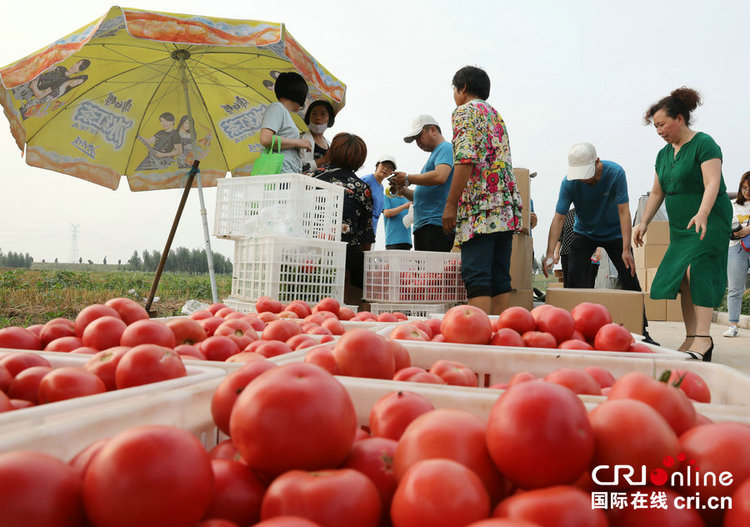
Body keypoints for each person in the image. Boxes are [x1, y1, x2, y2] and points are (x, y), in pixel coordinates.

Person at [634, 87, 733, 361]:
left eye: (662, 124)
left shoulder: (704, 144)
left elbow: (713, 182)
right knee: (684, 278)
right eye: (655, 127)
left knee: (698, 269)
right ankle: (691, 337)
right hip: (681, 225)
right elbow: (657, 192)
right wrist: (643, 222)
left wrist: (702, 212)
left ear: (680, 118)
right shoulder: (664, 155)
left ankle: (703, 339)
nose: (659, 131)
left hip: (709, 218)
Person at [544, 142, 658, 344]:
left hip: (614, 233)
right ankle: (573, 331)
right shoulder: (569, 182)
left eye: (588, 174)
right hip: (584, 232)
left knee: (629, 277)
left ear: (597, 162)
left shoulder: (615, 173)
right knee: (575, 279)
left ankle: (643, 330)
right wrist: (550, 252)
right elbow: (559, 218)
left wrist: (625, 249)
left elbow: (624, 211)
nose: (585, 180)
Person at [441, 65, 522, 315]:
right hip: (505, 206)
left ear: (463, 88)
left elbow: (465, 160)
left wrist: (451, 203)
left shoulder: (464, 111)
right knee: (499, 276)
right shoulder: (495, 114)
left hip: (481, 207)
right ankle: (498, 337)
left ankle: (480, 339)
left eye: (454, 90)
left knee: (477, 276)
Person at [311, 133, 375, 309]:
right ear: (359, 159)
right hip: (346, 252)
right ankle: (354, 312)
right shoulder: (362, 188)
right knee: (362, 268)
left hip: (309, 248)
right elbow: (365, 236)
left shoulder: (311, 176)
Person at [390, 115, 455, 252]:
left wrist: (408, 178)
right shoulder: (435, 155)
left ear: (432, 129)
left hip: (435, 224)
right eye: (415, 139)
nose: (417, 142)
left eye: (419, 136)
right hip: (425, 225)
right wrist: (402, 190)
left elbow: (440, 176)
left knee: (431, 271)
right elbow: (422, 196)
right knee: (426, 272)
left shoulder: (445, 148)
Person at [258, 72, 311, 174]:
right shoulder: (277, 108)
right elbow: (265, 139)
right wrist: (298, 142)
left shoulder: (283, 112)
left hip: (285, 173)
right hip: (279, 173)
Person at [723, 172, 750, 337]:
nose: (747, 191)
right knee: (735, 288)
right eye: (744, 187)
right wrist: (741, 231)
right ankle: (733, 326)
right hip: (736, 248)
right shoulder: (732, 204)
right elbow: (731, 226)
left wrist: (746, 229)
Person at [361, 155, 397, 235]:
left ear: (391, 172)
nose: (386, 168)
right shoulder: (366, 180)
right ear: (377, 165)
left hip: (372, 228)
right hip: (361, 226)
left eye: (390, 167)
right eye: (384, 165)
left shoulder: (381, 188)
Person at [301, 100, 335, 173]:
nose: (318, 118)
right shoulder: (300, 139)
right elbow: (299, 168)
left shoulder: (330, 145)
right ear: (308, 116)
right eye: (314, 114)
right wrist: (324, 159)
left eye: (323, 114)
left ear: (329, 119)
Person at [383, 185, 412, 250]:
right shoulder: (387, 197)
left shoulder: (408, 199)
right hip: (392, 241)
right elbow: (387, 213)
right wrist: (404, 206)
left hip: (407, 241)